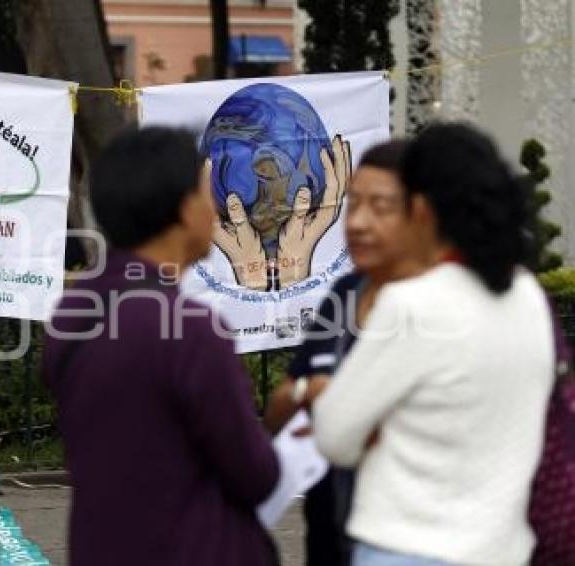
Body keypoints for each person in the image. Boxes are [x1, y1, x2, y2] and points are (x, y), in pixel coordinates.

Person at [310, 122, 554, 565]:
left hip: (408, 549)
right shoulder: (528, 296)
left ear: (421, 210)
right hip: (502, 550)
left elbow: (334, 436)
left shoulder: (414, 304)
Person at [43, 127, 280, 566]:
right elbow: (255, 474)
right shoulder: (189, 329)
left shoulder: (72, 311)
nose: (216, 211)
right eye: (208, 193)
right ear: (187, 209)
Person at [264, 139, 429, 566]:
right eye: (351, 204)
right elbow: (280, 406)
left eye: (379, 207)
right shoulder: (344, 293)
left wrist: (351, 414)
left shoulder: (442, 305)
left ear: (420, 215)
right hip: (331, 535)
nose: (357, 223)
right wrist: (307, 392)